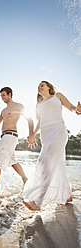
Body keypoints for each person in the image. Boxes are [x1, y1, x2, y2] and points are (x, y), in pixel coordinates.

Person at [23, 81, 81, 211]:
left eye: (42, 85)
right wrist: (32, 134)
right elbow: (40, 122)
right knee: (57, 164)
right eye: (38, 87)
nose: (39, 88)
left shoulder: (57, 96)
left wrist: (78, 109)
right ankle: (66, 196)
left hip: (58, 131)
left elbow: (72, 108)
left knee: (44, 162)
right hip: (45, 134)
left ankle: (37, 201)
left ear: (49, 87)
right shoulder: (39, 104)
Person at [0, 87, 35, 201]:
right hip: (5, 136)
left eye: (4, 95)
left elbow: (30, 120)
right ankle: (26, 180)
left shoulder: (18, 106)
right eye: (1, 96)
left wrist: (31, 135)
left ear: (10, 94)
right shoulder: (3, 111)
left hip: (10, 136)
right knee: (12, 161)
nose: (2, 98)